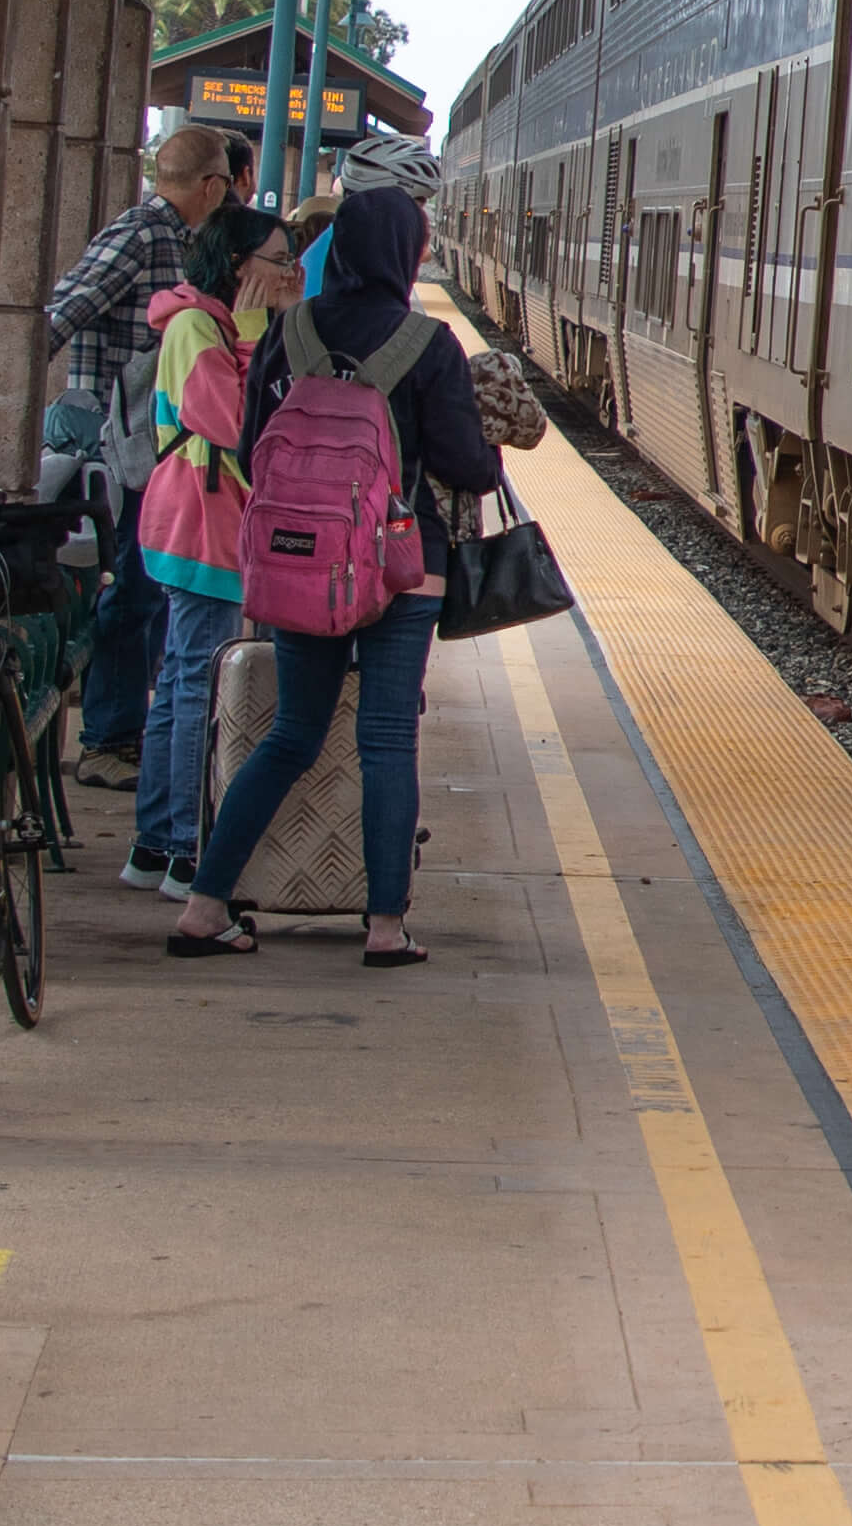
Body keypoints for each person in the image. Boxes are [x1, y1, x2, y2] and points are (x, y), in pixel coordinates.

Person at [174, 182, 524, 967]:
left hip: (303, 565)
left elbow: (247, 443)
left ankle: (204, 906)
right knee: (388, 741)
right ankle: (386, 928)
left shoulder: (292, 330)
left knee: (291, 735)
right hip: (405, 567)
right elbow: (468, 469)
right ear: (408, 254)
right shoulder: (427, 344)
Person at [45, 120, 249, 775]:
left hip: (158, 451)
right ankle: (107, 739)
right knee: (131, 593)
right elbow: (61, 312)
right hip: (128, 449)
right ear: (214, 184)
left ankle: (126, 733)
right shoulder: (141, 235)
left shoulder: (180, 239)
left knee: (148, 594)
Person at [120, 204, 283, 906]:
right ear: (241, 268)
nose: (293, 272)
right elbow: (235, 424)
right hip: (200, 525)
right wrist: (251, 336)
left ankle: (154, 842)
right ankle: (187, 850)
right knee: (197, 687)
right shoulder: (196, 328)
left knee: (182, 682)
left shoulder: (204, 324)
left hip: (200, 522)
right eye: (279, 260)